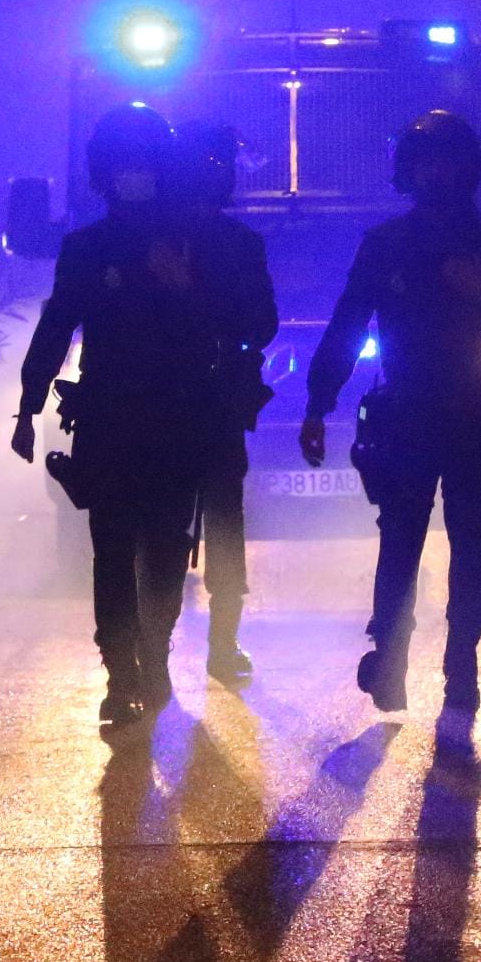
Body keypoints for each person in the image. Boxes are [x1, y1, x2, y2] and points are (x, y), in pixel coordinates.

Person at [299, 111, 481, 715]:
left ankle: (460, 670)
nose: (436, 173)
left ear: (468, 170)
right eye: (426, 162)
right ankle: (389, 662)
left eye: (446, 161)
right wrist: (318, 402)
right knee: (402, 542)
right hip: (408, 413)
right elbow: (346, 326)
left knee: (469, 545)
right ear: (408, 171)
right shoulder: (386, 245)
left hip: (469, 411)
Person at [12, 104, 215, 729]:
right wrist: (28, 406)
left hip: (176, 420)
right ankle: (120, 671)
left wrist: (184, 285)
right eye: (124, 168)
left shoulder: (194, 245)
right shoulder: (84, 249)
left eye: (145, 167)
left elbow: (233, 328)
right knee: (110, 551)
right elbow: (54, 330)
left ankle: (154, 656)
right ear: (106, 174)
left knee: (164, 552)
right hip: (107, 421)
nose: (135, 178)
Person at [171, 121, 279, 684]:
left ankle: (214, 643)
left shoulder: (235, 246)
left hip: (201, 401)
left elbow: (261, 323)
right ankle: (219, 646)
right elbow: (262, 323)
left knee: (214, 520)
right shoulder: (240, 244)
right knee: (217, 519)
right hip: (188, 401)